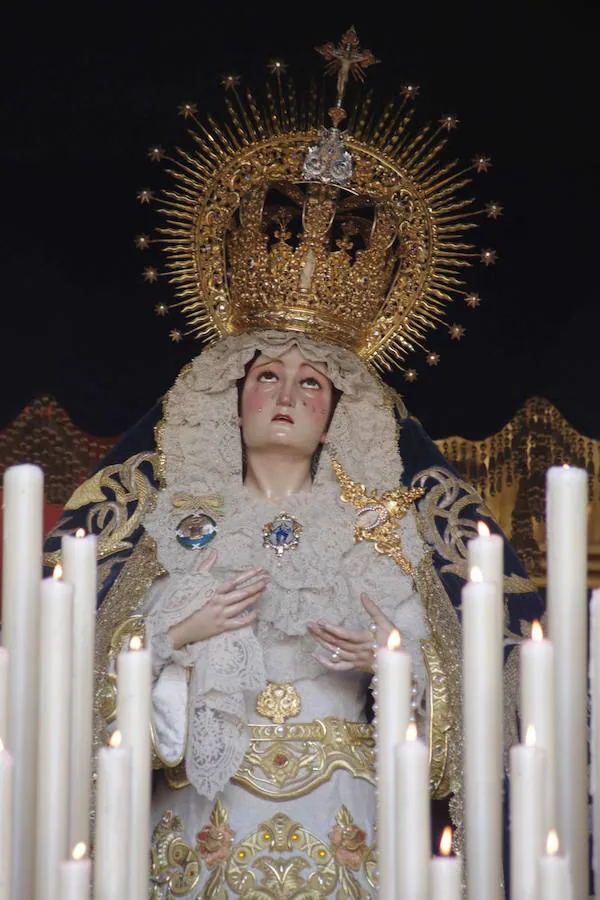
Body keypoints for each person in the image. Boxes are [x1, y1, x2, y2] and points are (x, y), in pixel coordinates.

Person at [44, 27, 543, 898]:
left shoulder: (381, 527)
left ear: (339, 410)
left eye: (312, 382)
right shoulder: (172, 524)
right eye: (265, 374)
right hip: (198, 823)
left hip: (347, 820)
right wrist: (166, 640)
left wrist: (389, 664)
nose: (285, 393)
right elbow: (78, 689)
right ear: (228, 395)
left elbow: (463, 708)